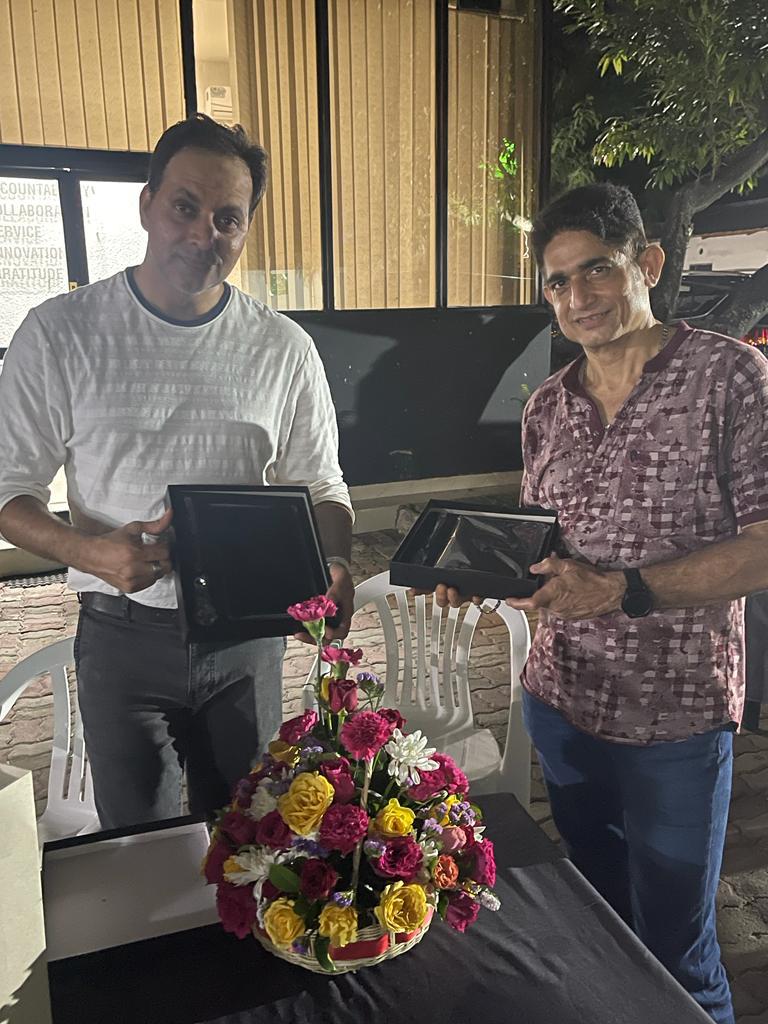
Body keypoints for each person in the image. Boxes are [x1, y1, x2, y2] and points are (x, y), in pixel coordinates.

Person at [433, 183, 768, 1024]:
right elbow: (544, 546)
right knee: (601, 924)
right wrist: (484, 575)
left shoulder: (730, 375)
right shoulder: (546, 406)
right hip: (563, 703)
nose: (577, 297)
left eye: (597, 270)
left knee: (679, 947)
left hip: (676, 714)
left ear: (646, 264)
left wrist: (625, 590)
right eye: (557, 282)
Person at [0, 114, 354, 831]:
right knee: (138, 846)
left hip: (248, 636)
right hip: (121, 637)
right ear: (146, 205)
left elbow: (321, 483)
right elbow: (9, 491)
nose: (203, 235)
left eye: (228, 218)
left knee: (251, 838)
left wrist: (338, 561)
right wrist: (91, 552)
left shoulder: (283, 348)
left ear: (246, 227)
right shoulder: (60, 332)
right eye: (184, 208)